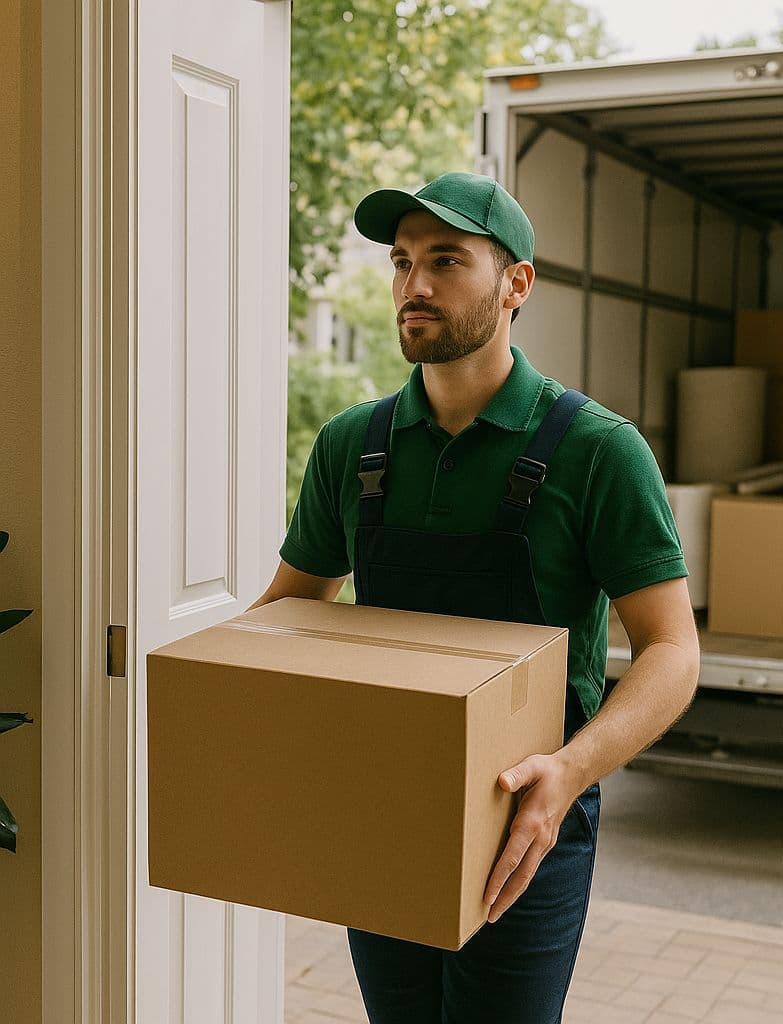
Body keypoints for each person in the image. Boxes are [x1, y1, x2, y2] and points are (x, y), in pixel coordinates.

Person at [248, 171, 700, 1023]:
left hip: (528, 820)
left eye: (446, 260)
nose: (414, 285)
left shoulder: (598, 451)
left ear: (516, 283)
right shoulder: (354, 444)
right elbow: (287, 613)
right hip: (383, 805)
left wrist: (567, 773)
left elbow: (673, 651)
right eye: (402, 260)